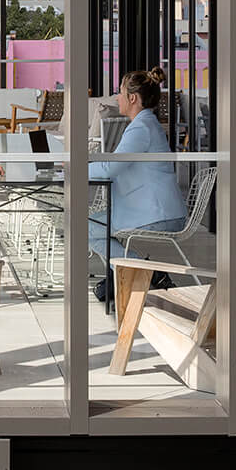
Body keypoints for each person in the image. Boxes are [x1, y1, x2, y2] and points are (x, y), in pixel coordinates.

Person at [88, 68, 187, 301]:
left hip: (157, 215)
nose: (116, 98)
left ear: (133, 98)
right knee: (92, 224)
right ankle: (133, 274)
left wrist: (73, 170)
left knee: (86, 228)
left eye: (120, 93)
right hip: (155, 210)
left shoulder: (141, 128)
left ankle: (144, 273)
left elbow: (111, 168)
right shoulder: (144, 124)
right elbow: (115, 165)